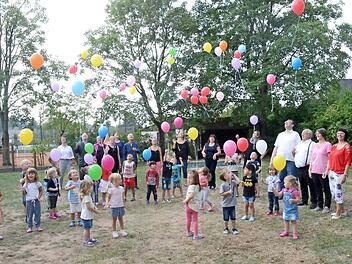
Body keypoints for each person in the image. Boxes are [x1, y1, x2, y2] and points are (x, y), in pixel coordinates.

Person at [323, 128, 351, 220]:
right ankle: (343, 211)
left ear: (345, 135)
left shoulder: (347, 146)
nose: (339, 135)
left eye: (342, 133)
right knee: (334, 192)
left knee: (338, 193)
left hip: (340, 173)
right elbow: (329, 160)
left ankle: (338, 213)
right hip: (332, 172)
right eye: (338, 133)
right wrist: (327, 170)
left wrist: (345, 174)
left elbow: (348, 162)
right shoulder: (334, 146)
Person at [270, 119, 301, 190]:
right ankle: (281, 193)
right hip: (280, 160)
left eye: (288, 122)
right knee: (281, 177)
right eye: (285, 123)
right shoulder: (280, 135)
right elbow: (276, 147)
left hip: (291, 159)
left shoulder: (295, 134)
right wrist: (272, 160)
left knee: (291, 177)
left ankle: (292, 193)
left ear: (292, 125)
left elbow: (299, 146)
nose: (286, 123)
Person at [309, 128, 332, 214]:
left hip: (323, 170)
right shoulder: (315, 145)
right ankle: (319, 205)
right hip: (314, 169)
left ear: (323, 134)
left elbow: (330, 158)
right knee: (317, 188)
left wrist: (327, 170)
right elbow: (312, 158)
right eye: (316, 134)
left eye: (319, 133)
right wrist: (310, 168)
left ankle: (327, 206)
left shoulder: (327, 144)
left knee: (325, 188)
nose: (317, 135)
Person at [272, 176, 301, 240]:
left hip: (293, 210)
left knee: (293, 221)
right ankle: (286, 231)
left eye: (285, 183)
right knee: (286, 220)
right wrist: (274, 192)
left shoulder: (295, 191)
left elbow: (298, 200)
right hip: (286, 210)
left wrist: (293, 200)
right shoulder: (284, 190)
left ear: (290, 183)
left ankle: (295, 234)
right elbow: (279, 195)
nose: (284, 184)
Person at [294, 129, 317, 209]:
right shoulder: (299, 143)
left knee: (311, 184)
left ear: (309, 135)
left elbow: (314, 155)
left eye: (305, 134)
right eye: (302, 133)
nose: (302, 135)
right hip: (299, 166)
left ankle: (314, 201)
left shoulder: (312, 144)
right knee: (302, 184)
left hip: (307, 166)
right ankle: (304, 200)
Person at [219, 168, 241, 235]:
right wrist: (228, 192)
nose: (230, 173)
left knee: (233, 217)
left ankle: (234, 228)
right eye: (228, 173)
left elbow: (239, 182)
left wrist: (234, 175)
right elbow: (221, 193)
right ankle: (226, 228)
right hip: (225, 205)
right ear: (225, 177)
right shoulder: (223, 185)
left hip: (232, 204)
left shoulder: (233, 182)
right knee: (226, 218)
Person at [105, 173, 128, 238]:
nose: (121, 180)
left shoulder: (122, 188)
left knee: (121, 218)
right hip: (114, 207)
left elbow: (123, 197)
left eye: (120, 179)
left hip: (120, 206)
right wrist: (107, 203)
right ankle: (114, 231)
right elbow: (108, 197)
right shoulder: (111, 189)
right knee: (114, 219)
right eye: (119, 179)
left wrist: (124, 204)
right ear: (114, 181)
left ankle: (122, 230)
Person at [183, 170, 203, 240]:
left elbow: (191, 195)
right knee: (194, 220)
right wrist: (186, 201)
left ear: (195, 179)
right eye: (188, 178)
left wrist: (185, 201)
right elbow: (191, 195)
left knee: (188, 219)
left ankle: (188, 232)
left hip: (188, 205)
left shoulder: (192, 186)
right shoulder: (196, 186)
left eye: (190, 178)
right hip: (193, 206)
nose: (188, 179)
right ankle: (196, 235)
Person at [22, 168, 43, 233]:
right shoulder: (26, 184)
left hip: (36, 201)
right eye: (29, 174)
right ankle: (29, 227)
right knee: (29, 214)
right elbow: (24, 194)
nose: (31, 175)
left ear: (35, 175)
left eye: (32, 173)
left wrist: (39, 197)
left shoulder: (38, 183)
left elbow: (41, 191)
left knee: (37, 214)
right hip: (29, 201)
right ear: (27, 175)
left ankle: (38, 226)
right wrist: (23, 190)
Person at [80, 180, 99, 247]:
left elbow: (91, 204)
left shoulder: (88, 196)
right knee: (87, 229)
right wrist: (95, 211)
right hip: (86, 216)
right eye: (90, 187)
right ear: (86, 189)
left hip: (88, 216)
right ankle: (86, 241)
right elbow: (89, 207)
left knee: (88, 228)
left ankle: (89, 239)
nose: (92, 188)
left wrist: (95, 207)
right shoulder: (86, 197)